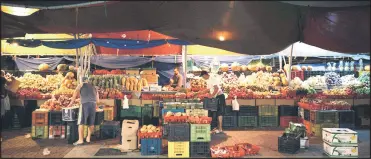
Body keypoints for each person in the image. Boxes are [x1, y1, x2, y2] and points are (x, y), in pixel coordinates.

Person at [68, 76, 99, 145]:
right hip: (93, 104)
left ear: (82, 80)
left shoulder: (81, 84)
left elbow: (75, 93)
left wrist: (71, 103)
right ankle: (88, 138)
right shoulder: (94, 87)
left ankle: (80, 140)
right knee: (91, 123)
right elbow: (97, 100)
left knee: (81, 122)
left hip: (85, 104)